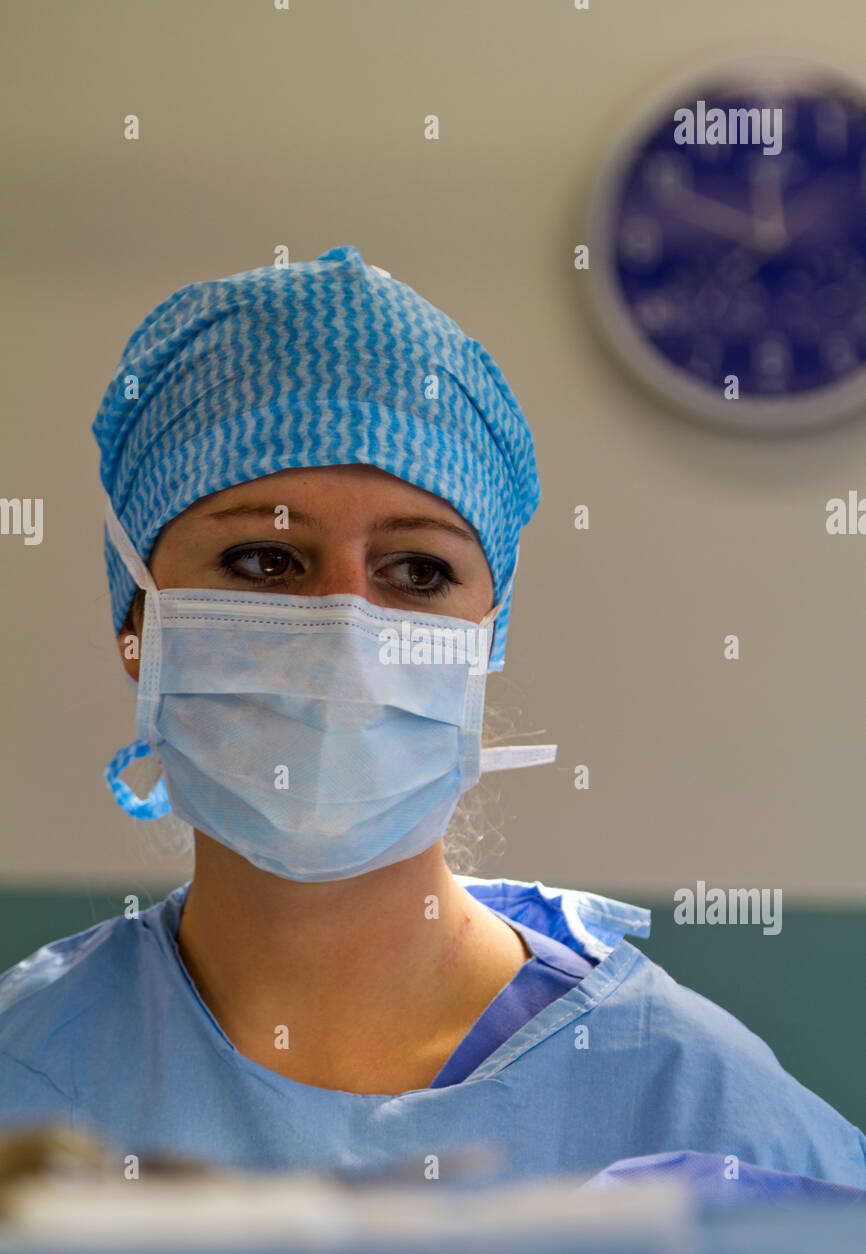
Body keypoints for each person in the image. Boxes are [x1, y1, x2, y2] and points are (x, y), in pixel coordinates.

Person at [0, 246, 864, 1188]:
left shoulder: (712, 1120)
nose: (346, 630)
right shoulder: (27, 1069)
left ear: (485, 643)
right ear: (138, 618)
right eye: (264, 561)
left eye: (417, 572)